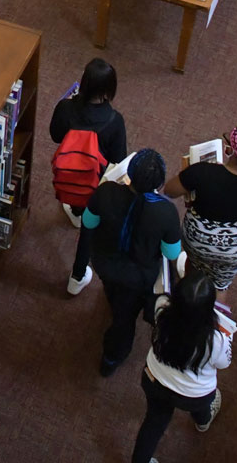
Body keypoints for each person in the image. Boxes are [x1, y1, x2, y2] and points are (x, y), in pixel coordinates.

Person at [81, 149, 182, 376]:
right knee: (123, 320)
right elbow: (172, 252)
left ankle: (111, 301)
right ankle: (111, 357)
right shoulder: (166, 212)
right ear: (160, 181)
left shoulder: (106, 191)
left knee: (114, 295)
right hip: (138, 277)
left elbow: (88, 222)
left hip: (104, 263)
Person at [129, 274, 234, 463]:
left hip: (154, 379)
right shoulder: (215, 341)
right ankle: (202, 422)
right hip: (194, 394)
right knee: (202, 407)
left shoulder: (161, 308)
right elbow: (224, 363)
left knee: (153, 424)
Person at [49, 58, 127, 296]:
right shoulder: (115, 121)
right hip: (96, 185)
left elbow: (54, 135)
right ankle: (77, 276)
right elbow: (119, 157)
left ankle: (74, 210)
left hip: (68, 176)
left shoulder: (65, 108)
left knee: (75, 189)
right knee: (89, 228)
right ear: (107, 91)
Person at [168, 122, 237, 291]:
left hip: (199, 240)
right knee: (221, 286)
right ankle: (217, 313)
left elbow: (170, 190)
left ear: (229, 150)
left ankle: (189, 295)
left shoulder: (202, 172)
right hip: (235, 248)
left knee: (193, 267)